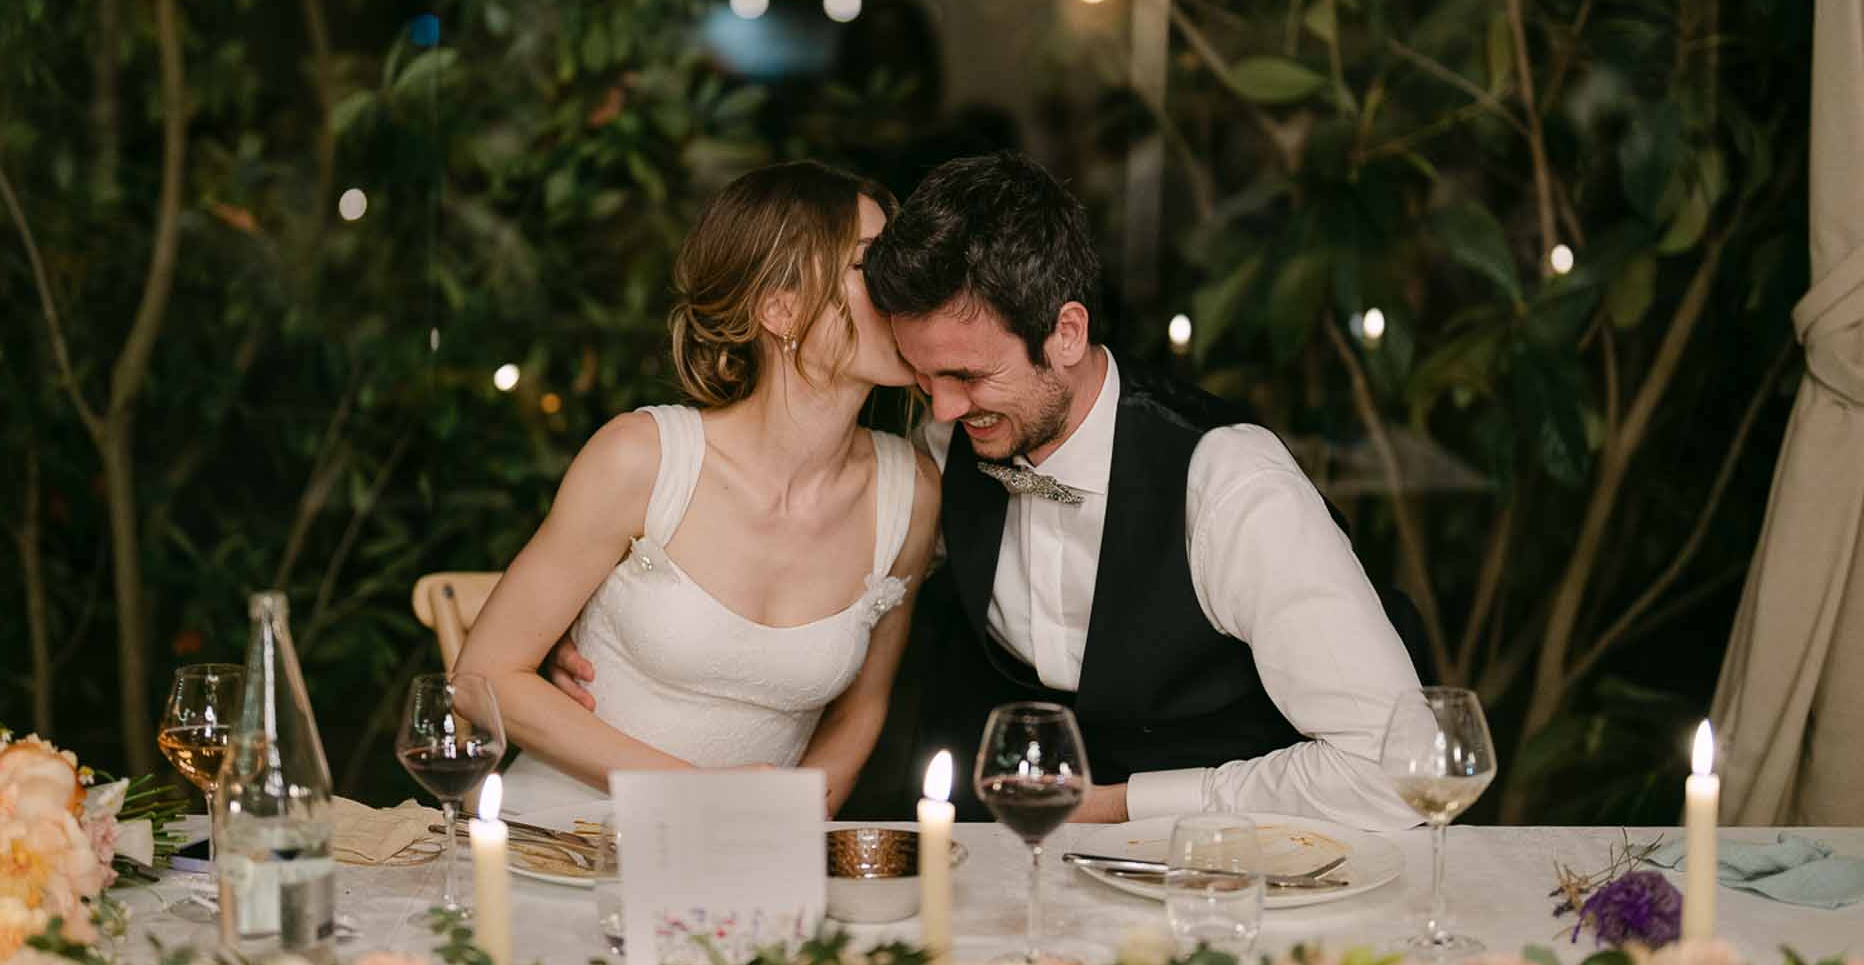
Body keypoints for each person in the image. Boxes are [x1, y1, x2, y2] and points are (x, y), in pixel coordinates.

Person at [859, 152, 1423, 830]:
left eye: (969, 375)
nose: (943, 410)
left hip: (1229, 864)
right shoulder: (948, 445)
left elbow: (1399, 770)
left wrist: (1126, 805)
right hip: (1013, 852)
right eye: (925, 379)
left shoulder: (1230, 487)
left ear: (1067, 332)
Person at [454, 161, 940, 817]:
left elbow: (862, 708)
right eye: (869, 265)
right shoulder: (643, 459)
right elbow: (483, 678)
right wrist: (697, 795)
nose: (905, 286)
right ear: (779, 307)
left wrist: (786, 822)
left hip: (739, 866)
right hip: (561, 844)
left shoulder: (910, 496)